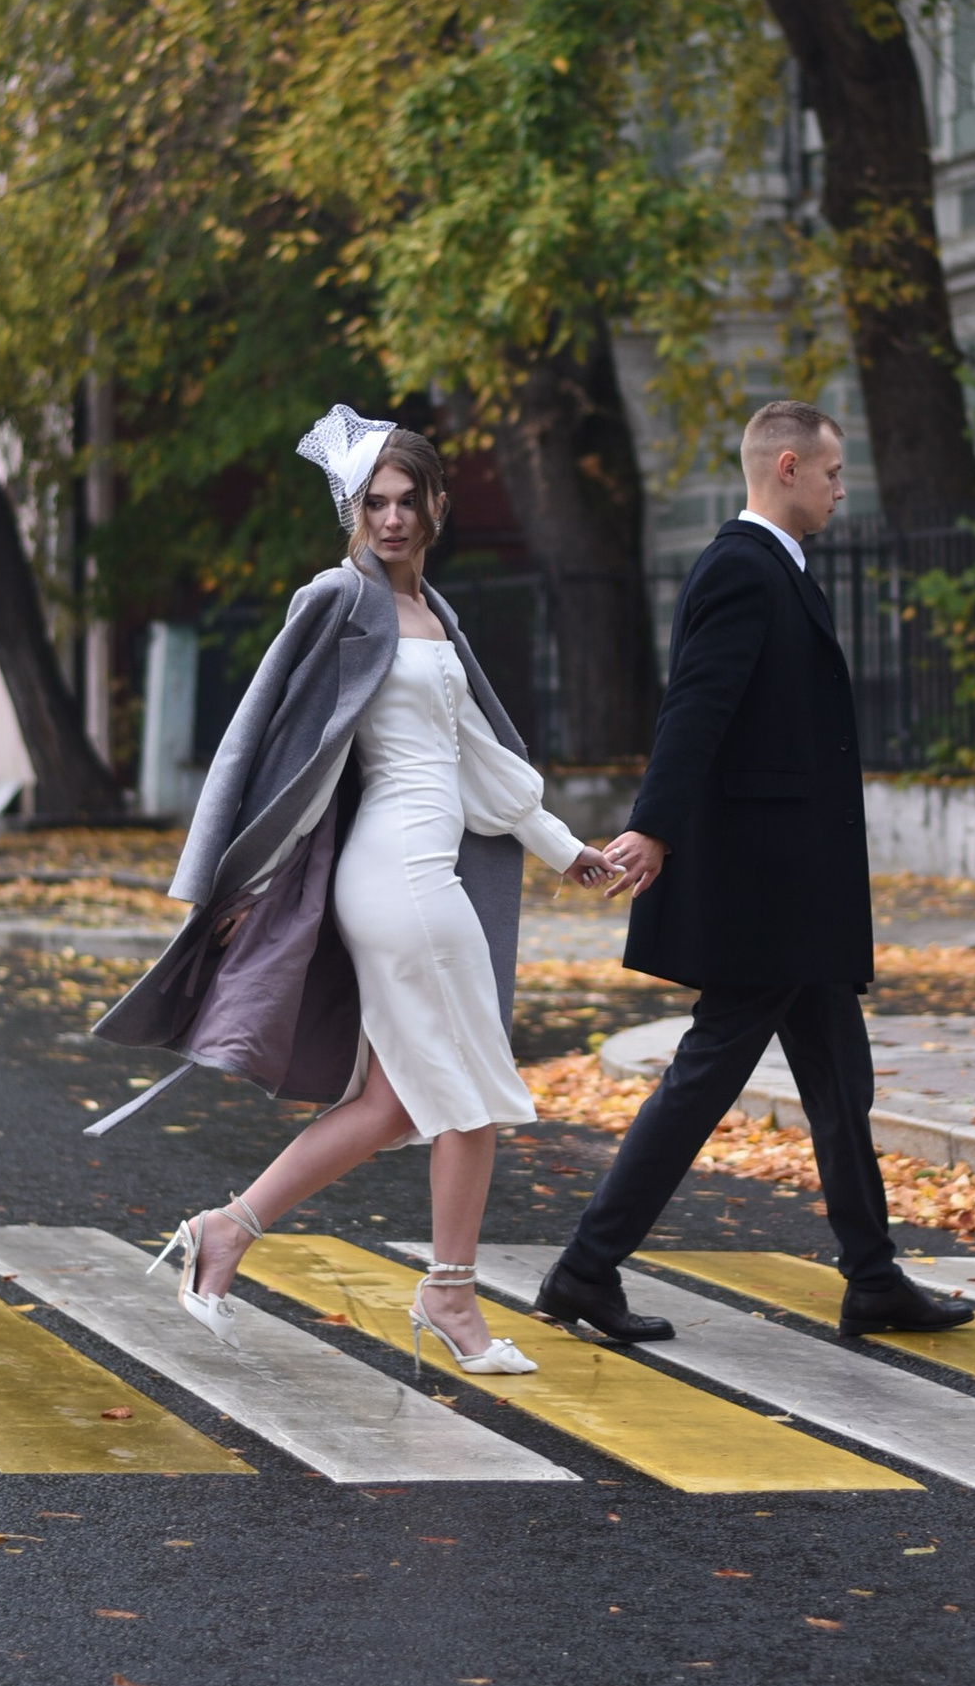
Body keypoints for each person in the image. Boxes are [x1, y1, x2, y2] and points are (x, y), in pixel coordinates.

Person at [88, 406, 624, 1372]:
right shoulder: (340, 600)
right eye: (373, 502)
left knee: (393, 1104)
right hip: (403, 876)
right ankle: (450, 1297)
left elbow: (475, 760)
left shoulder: (433, 615)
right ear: (354, 510)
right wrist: (241, 877)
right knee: (467, 1099)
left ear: (436, 508)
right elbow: (276, 743)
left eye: (405, 501)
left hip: (419, 867)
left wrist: (560, 845)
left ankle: (225, 1232)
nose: (389, 519)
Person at [533, 398, 975, 1352]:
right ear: (784, 468)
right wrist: (653, 826)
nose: (840, 488)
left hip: (795, 890)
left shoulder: (777, 568)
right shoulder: (744, 568)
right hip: (767, 889)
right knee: (704, 1078)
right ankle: (585, 1267)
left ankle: (872, 1276)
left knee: (838, 1081)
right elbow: (698, 705)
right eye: (829, 472)